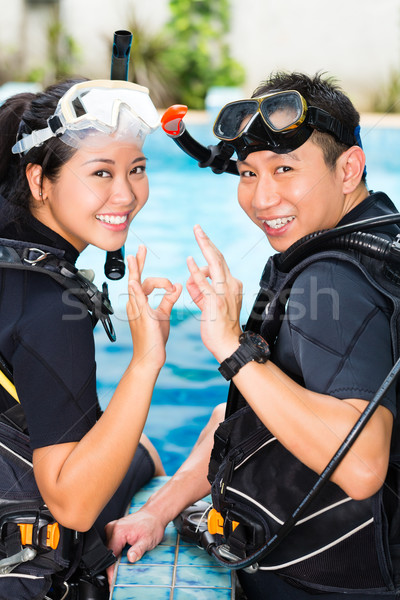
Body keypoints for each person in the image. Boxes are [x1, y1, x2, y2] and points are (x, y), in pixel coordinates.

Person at [106, 72, 400, 599]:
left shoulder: (330, 278)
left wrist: (232, 348)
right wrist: (156, 513)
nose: (263, 198)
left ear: (348, 168)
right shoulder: (380, 240)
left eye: (285, 169)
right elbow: (242, 419)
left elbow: (359, 465)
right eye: (247, 173)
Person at [0, 78, 182, 597]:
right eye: (101, 172)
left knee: (134, 447)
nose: (124, 195)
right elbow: (73, 505)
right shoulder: (49, 304)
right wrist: (148, 356)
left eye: (137, 170)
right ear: (38, 180)